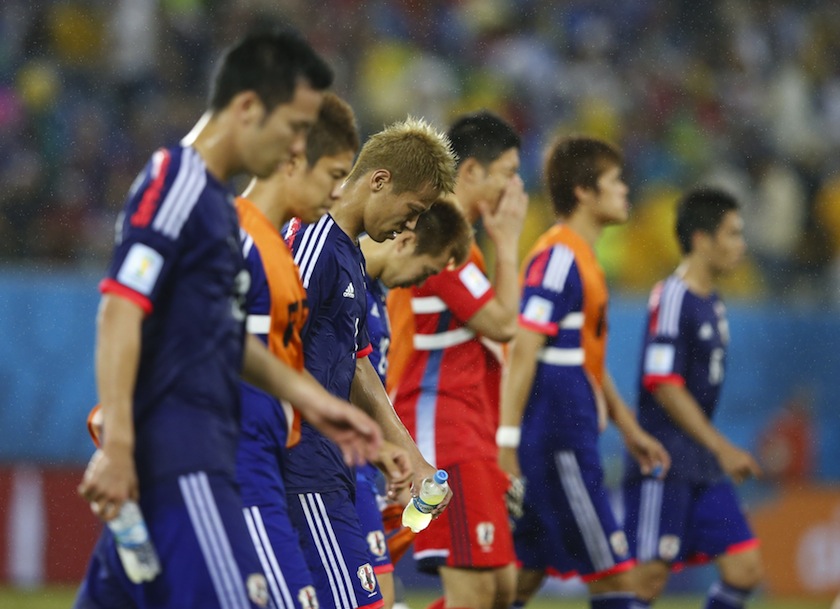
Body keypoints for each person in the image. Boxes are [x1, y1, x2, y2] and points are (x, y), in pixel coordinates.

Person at [74, 30, 382, 609]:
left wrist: (318, 404)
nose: (297, 145)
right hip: (187, 459)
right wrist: (117, 441)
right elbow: (120, 308)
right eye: (293, 127)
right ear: (247, 109)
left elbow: (226, 338)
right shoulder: (178, 180)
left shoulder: (215, 207)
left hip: (188, 456)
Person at [284, 117, 458, 609]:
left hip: (329, 465)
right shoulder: (312, 244)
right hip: (300, 468)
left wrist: (409, 456)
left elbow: (359, 368)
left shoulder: (352, 260)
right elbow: (265, 352)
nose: (412, 227)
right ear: (379, 180)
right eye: (413, 210)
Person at [497, 135, 669, 609]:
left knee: (521, 580)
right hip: (559, 439)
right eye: (614, 181)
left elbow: (584, 361)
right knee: (616, 582)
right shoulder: (558, 257)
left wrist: (628, 427)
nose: (625, 191)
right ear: (583, 192)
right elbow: (525, 347)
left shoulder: (582, 259)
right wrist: (506, 444)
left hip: (562, 434)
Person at [387, 110, 528, 609]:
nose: (515, 187)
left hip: (466, 425)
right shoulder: (442, 241)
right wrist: (509, 243)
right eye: (508, 172)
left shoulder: (457, 243)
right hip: (441, 425)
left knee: (501, 589)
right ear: (471, 172)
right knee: (478, 593)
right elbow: (504, 322)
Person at [235, 91, 365, 609]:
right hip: (231, 468)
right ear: (293, 159)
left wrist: (325, 409)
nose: (339, 194)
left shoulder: (278, 256)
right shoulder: (234, 240)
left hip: (265, 466)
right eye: (333, 175)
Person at [621, 188, 763, 608]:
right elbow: (664, 384)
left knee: (745, 568)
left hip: (699, 460)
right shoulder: (672, 296)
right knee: (646, 581)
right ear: (702, 239)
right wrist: (722, 446)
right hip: (663, 459)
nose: (742, 244)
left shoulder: (712, 303)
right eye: (733, 234)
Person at [357, 196, 474, 609]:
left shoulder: (375, 297)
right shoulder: (333, 276)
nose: (414, 283)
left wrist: (389, 462)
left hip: (354, 473)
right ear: (405, 241)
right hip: (317, 472)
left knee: (379, 598)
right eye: (425, 271)